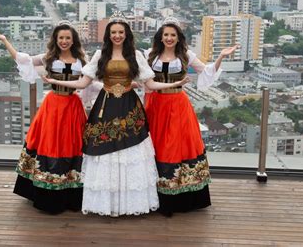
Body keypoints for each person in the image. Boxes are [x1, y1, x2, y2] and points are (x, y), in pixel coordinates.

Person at [42, 11, 188, 216]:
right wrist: (57, 82)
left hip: (129, 106)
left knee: (131, 152)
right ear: (108, 35)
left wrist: (175, 83)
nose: (117, 36)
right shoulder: (100, 55)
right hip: (106, 105)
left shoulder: (136, 56)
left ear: (126, 34)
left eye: (120, 32)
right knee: (105, 151)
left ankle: (129, 204)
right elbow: (83, 83)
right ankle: (107, 203)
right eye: (113, 32)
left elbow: (151, 83)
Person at [144, 17, 239, 216]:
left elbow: (206, 72)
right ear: (160, 37)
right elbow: (142, 81)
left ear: (179, 38)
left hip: (178, 105)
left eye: (173, 35)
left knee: (176, 146)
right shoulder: (150, 55)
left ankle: (176, 199)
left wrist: (221, 56)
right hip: (155, 106)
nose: (169, 38)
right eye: (166, 35)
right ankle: (157, 197)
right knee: (157, 146)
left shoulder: (186, 55)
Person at [0, 21, 87, 214]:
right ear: (56, 39)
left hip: (72, 107)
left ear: (73, 39)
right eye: (61, 37)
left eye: (68, 37)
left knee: (71, 144)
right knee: (50, 143)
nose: (64, 41)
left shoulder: (82, 60)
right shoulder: (48, 58)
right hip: (53, 106)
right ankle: (47, 194)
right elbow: (22, 59)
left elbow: (93, 79)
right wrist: (4, 40)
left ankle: (70, 194)